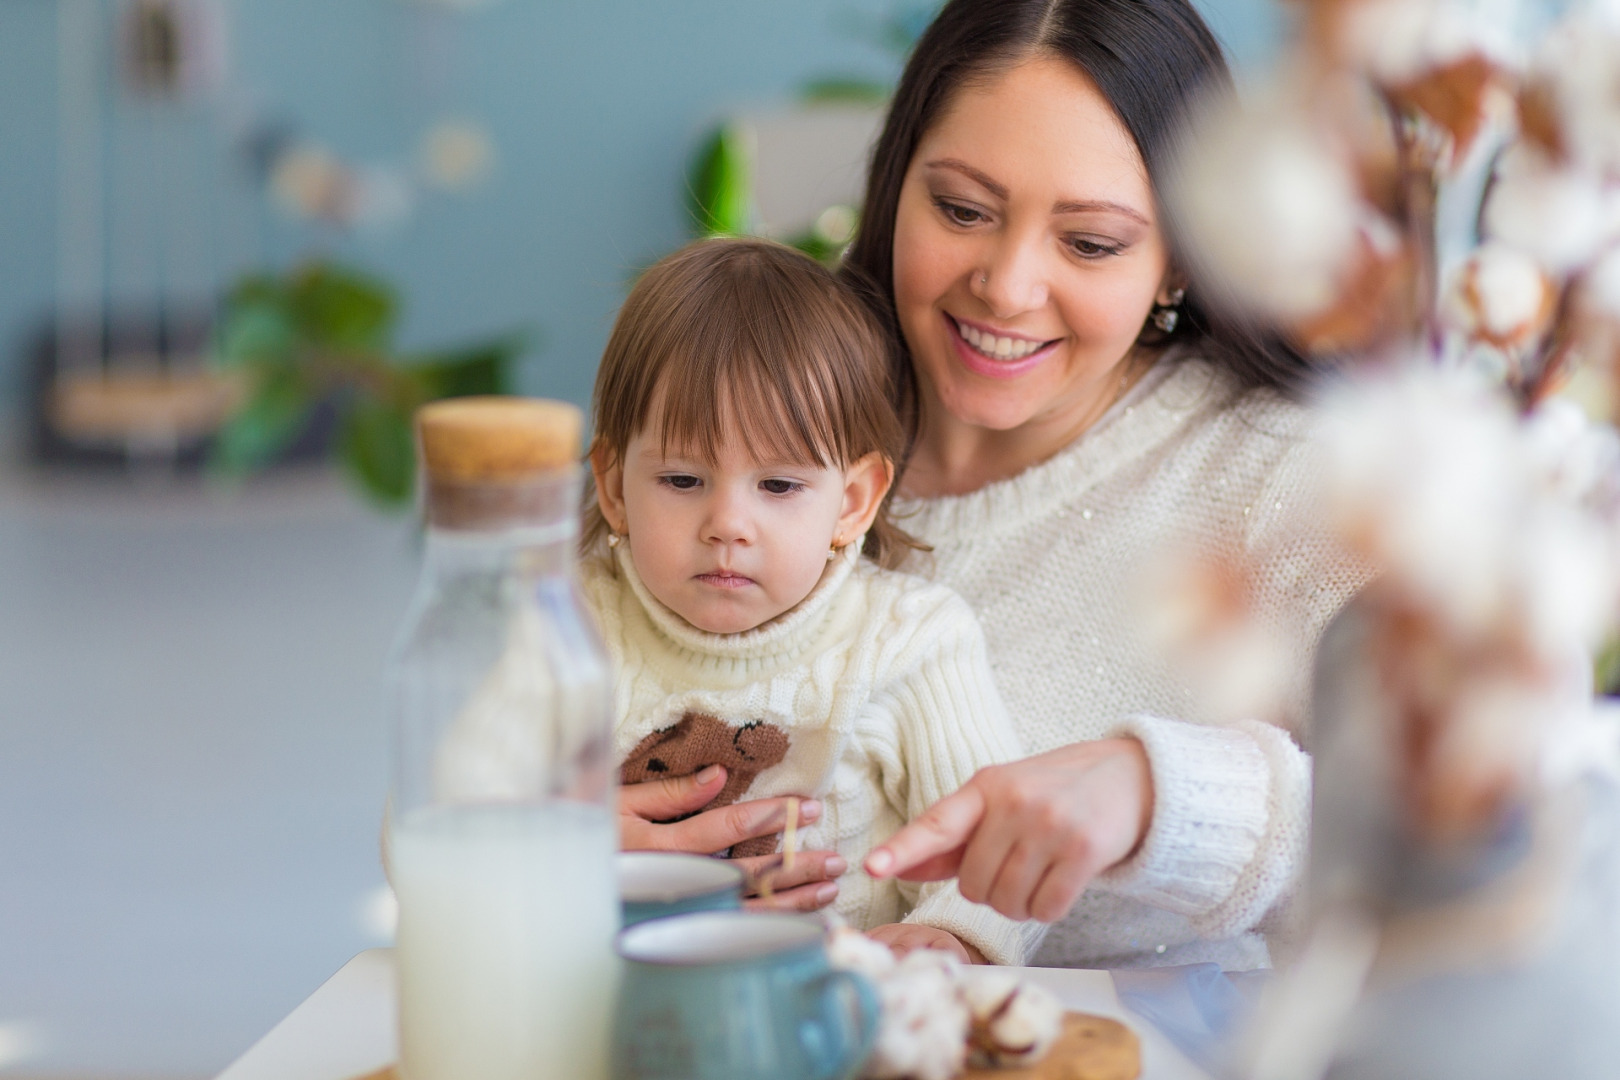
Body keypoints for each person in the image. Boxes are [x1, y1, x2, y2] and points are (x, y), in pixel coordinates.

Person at [622, 0, 1370, 972]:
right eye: (963, 210)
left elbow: (1495, 811)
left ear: (1181, 253)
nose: (1008, 287)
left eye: (1090, 242)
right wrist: (553, 842)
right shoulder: (770, 413)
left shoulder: (1297, 483)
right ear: (895, 192)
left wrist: (1157, 795)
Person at [584, 236, 1036, 965]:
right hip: (616, 1007)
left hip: (841, 1013)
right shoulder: (565, 627)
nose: (728, 525)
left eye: (779, 486)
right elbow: (431, 829)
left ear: (853, 502)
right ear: (613, 487)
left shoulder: (908, 639)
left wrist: (951, 938)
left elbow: (995, 840)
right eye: (681, 480)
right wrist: (554, 848)